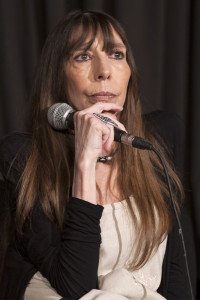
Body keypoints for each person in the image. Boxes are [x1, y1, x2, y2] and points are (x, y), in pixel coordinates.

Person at [0, 9, 195, 300]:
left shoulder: (161, 138)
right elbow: (75, 287)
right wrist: (85, 162)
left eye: (116, 54)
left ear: (130, 72)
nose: (104, 70)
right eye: (83, 56)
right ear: (58, 76)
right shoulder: (25, 158)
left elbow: (175, 275)